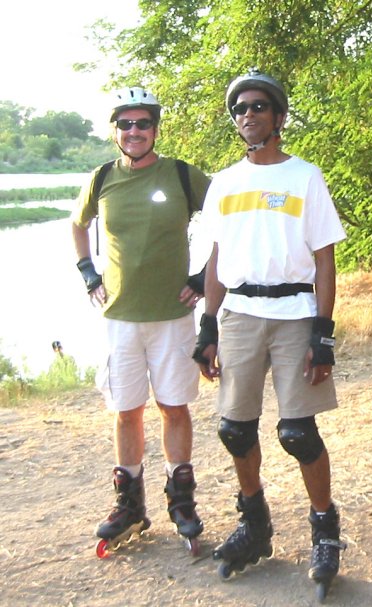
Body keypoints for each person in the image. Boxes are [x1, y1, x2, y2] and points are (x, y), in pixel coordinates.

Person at [192, 69, 347, 592]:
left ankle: (325, 530)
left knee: (298, 433)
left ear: (279, 117)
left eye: (258, 107)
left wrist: (323, 332)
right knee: (235, 429)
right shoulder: (224, 183)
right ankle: (255, 523)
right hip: (238, 312)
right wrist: (206, 328)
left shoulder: (305, 177)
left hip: (294, 313)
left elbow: (325, 262)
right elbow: (215, 260)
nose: (248, 115)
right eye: (240, 109)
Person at [71, 87, 211, 554]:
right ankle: (129, 504)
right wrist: (87, 271)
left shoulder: (181, 174)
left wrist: (203, 276)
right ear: (115, 131)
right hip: (120, 317)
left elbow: (225, 219)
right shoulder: (101, 178)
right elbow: (78, 223)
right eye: (126, 124)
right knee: (126, 410)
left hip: (173, 315)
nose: (134, 131)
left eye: (143, 123)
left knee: (174, 406)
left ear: (155, 129)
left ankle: (181, 501)